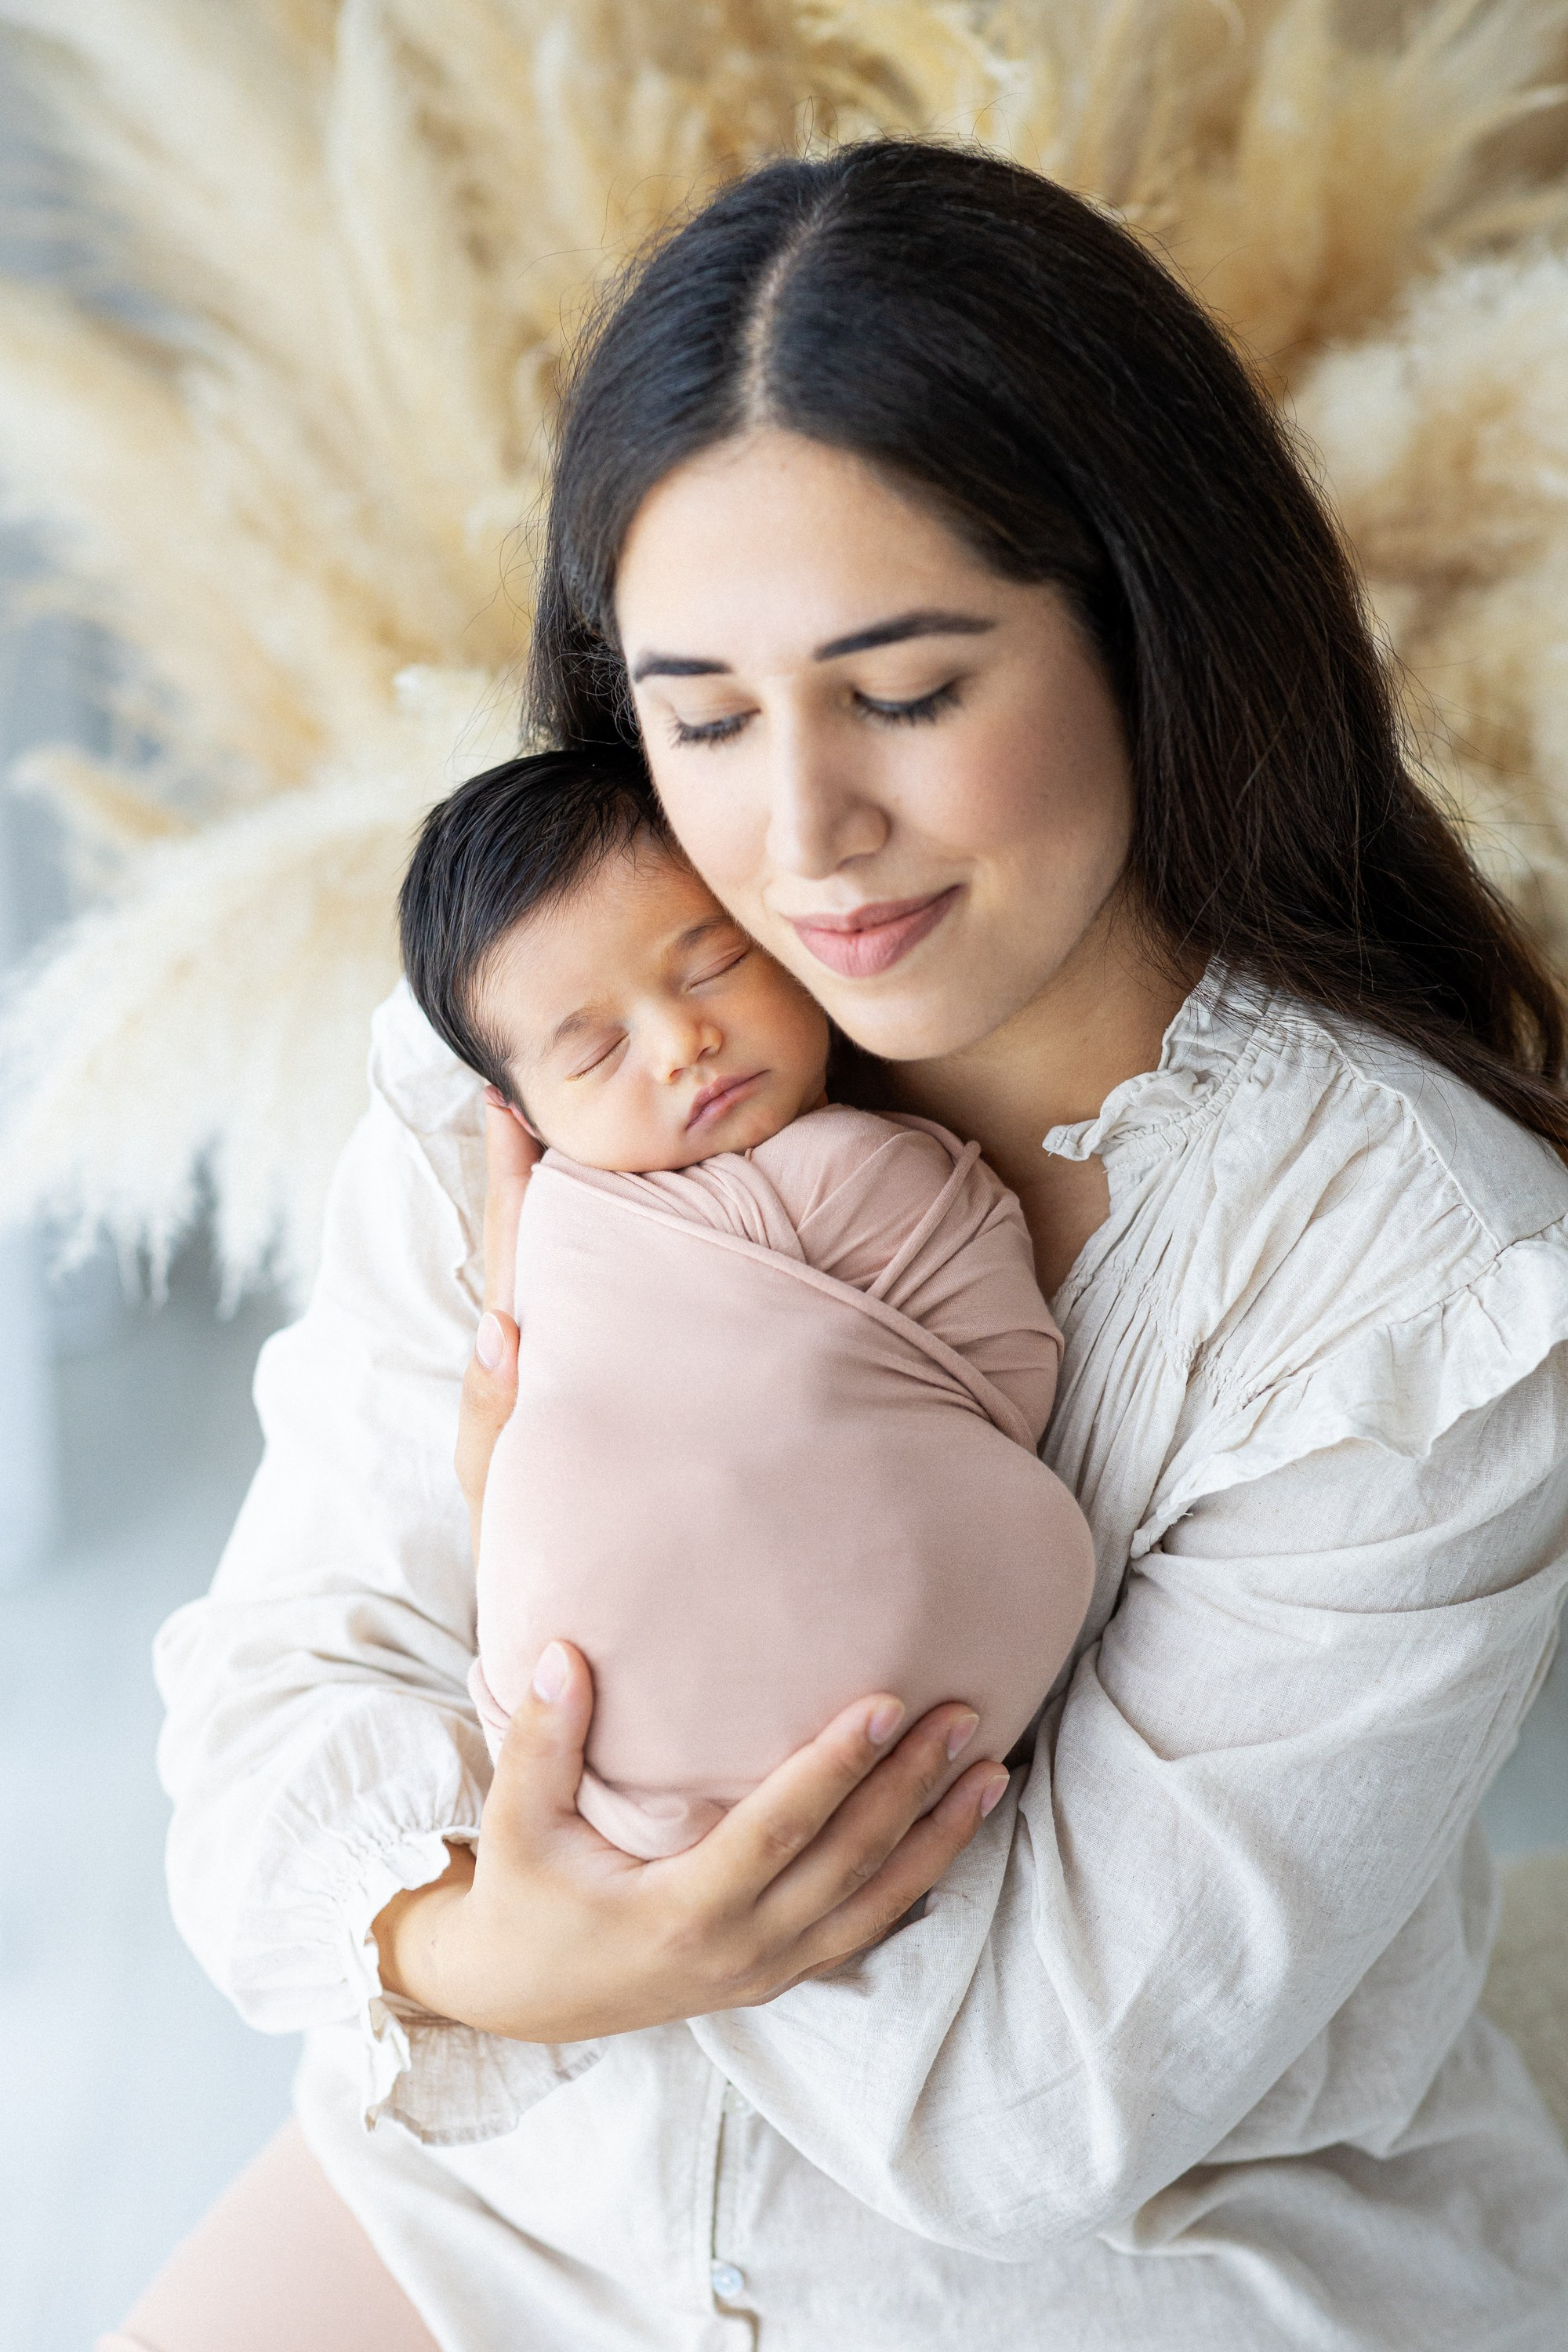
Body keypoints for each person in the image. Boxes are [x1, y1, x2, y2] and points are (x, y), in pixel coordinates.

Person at [112, 142, 1568, 2352]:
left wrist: (552, 1797)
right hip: (508, 2201)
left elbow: (1025, 2108)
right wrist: (486, 1961)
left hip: (1130, 2283)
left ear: (1154, 626)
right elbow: (259, 1755)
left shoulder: (1430, 1290)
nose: (800, 837)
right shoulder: (539, 1069)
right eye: (699, 717)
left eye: (902, 693)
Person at [397, 745, 1092, 1859]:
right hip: (579, 1717)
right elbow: (1013, 1374)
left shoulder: (863, 1169)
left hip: (677, 1764)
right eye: (600, 1050)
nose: (683, 1045)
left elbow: (1002, 1376)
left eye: (712, 965)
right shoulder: (566, 1222)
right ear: (519, 1114)